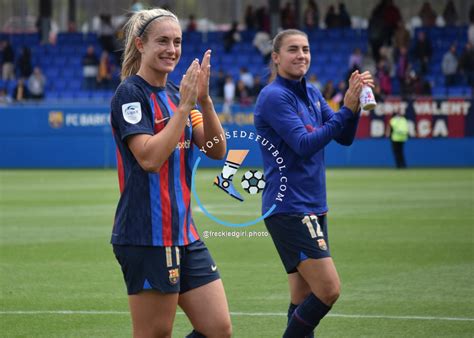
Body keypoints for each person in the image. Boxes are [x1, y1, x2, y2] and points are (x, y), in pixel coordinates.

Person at [110, 8, 232, 338]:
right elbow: (148, 158)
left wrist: (203, 102)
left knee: (218, 329)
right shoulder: (130, 95)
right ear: (140, 45)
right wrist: (183, 108)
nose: (172, 49)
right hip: (146, 235)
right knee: (155, 333)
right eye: (162, 41)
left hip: (184, 234)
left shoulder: (180, 93)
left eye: (177, 42)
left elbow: (217, 150)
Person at [254, 29, 373, 338]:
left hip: (312, 206)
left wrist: (354, 106)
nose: (301, 55)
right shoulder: (274, 96)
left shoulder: (312, 92)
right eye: (293, 49)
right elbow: (304, 144)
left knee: (303, 297)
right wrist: (345, 110)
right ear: (277, 58)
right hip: (290, 207)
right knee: (329, 289)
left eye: (305, 49)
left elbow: (343, 137)